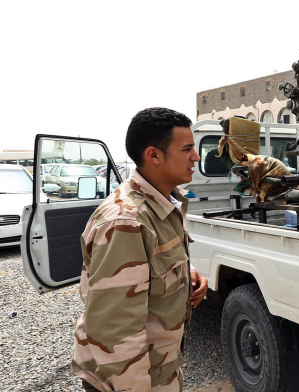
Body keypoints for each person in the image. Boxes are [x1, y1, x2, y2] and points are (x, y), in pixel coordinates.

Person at [73, 108, 208, 392]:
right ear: (153, 155)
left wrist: (189, 274)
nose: (196, 157)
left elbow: (155, 262)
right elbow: (115, 331)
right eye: (187, 149)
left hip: (157, 367)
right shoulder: (127, 221)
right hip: (132, 377)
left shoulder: (162, 202)